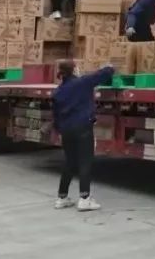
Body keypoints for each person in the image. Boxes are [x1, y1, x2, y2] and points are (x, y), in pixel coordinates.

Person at [52, 60, 115, 211]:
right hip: (82, 128)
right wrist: (109, 67)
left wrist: (60, 130)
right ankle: (85, 198)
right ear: (74, 70)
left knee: (69, 161)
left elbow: (55, 116)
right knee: (85, 161)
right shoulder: (82, 83)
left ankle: (62, 197)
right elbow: (102, 75)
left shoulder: (58, 91)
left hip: (66, 130)